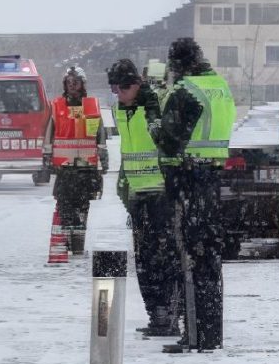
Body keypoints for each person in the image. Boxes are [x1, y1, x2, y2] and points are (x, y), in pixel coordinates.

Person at [152, 37, 241, 352]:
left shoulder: (185, 91)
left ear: (178, 64)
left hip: (189, 178)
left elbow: (170, 140)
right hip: (212, 178)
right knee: (209, 259)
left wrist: (154, 127)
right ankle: (210, 333)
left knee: (191, 257)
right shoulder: (220, 86)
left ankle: (196, 335)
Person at [102, 60, 179, 339]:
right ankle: (157, 315)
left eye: (122, 87)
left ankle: (170, 313)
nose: (118, 93)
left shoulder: (156, 103)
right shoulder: (119, 109)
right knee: (145, 260)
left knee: (164, 258)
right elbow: (126, 152)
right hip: (138, 194)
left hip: (160, 192)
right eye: (113, 88)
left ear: (136, 83)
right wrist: (124, 187)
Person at [43, 68, 106, 266]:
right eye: (69, 82)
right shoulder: (57, 106)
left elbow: (100, 136)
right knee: (64, 208)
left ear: (83, 84)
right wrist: (46, 158)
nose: (72, 86)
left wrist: (103, 158)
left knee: (82, 209)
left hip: (86, 168)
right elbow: (48, 135)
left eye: (76, 82)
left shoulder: (92, 107)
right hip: (65, 169)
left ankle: (78, 246)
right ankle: (65, 243)